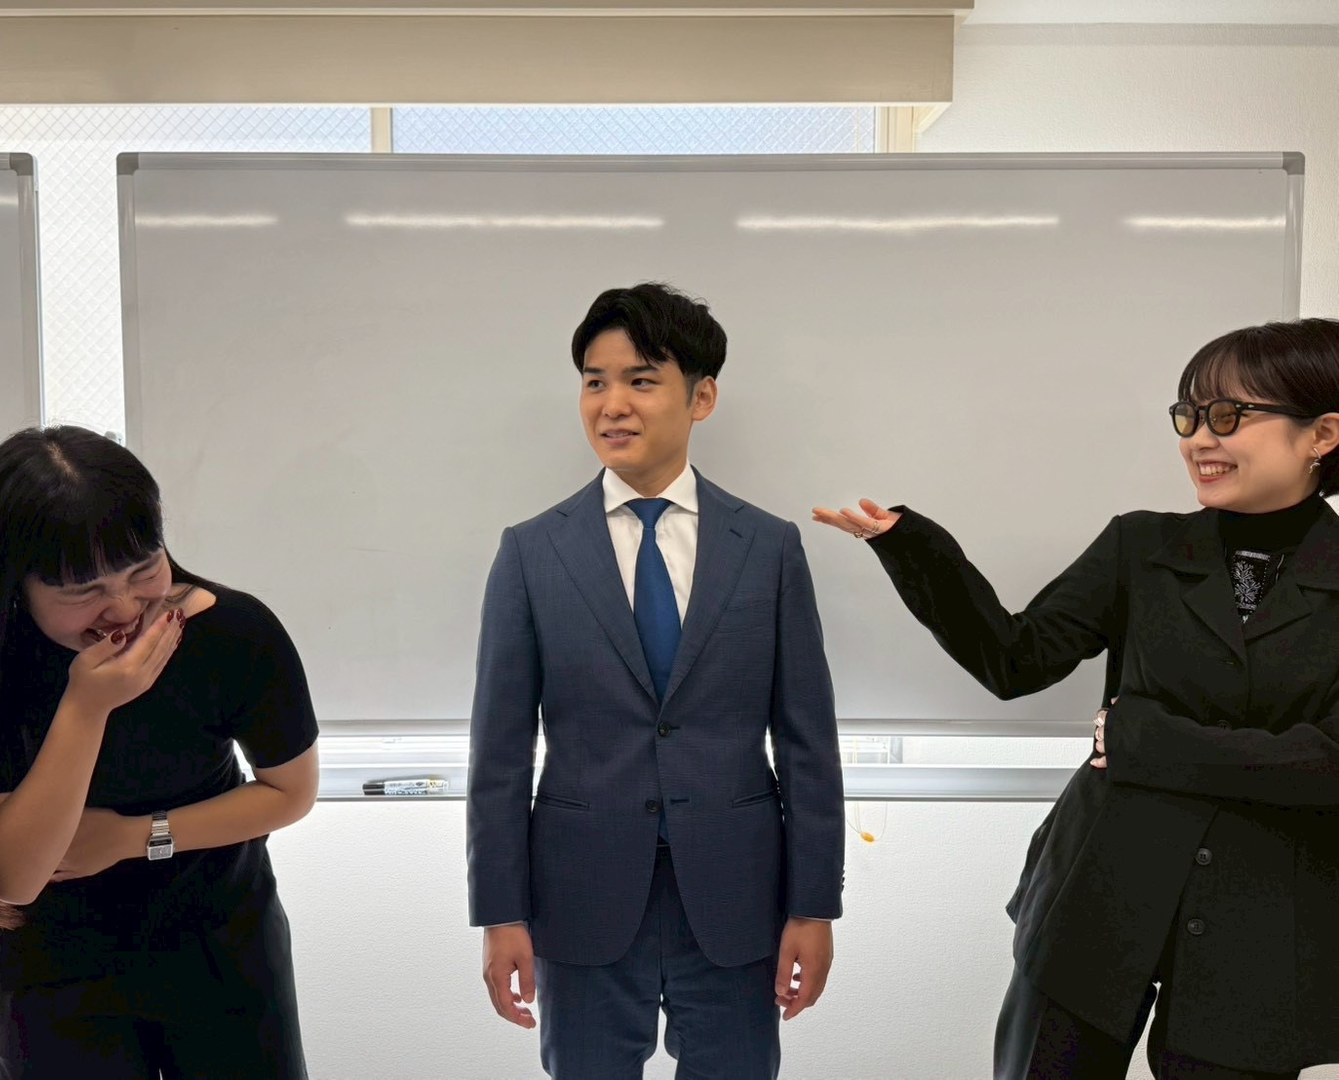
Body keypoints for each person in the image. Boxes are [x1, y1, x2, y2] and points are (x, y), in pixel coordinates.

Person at [814, 318, 1339, 1079]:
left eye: (1229, 416)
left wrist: (1141, 738)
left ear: (1322, 433)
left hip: (1261, 926)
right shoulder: (1141, 546)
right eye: (1189, 416)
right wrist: (916, 550)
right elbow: (1015, 660)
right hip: (1098, 892)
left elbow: (1328, 765)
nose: (1200, 439)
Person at [467, 282, 845, 1079]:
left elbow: (808, 743)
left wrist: (814, 905)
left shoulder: (767, 548)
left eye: (641, 381)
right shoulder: (531, 552)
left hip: (737, 894)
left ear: (701, 397)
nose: (613, 405)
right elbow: (499, 754)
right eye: (594, 382)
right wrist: (500, 913)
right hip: (581, 893)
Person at [0, 425, 319, 1079]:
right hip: (51, 973)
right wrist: (86, 706)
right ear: (13, 582)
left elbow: (289, 792)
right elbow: (14, 879)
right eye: (83, 591)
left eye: (144, 569)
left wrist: (133, 837)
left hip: (220, 948)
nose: (123, 608)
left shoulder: (236, 634)